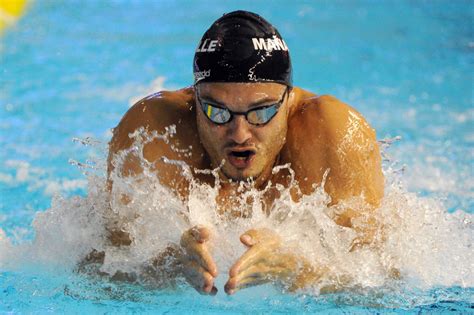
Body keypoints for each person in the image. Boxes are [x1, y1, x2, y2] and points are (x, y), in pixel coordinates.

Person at [99, 10, 384, 295]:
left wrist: (300, 267)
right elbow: (98, 271)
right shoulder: (153, 134)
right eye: (216, 111)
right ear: (195, 100)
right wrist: (168, 263)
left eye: (261, 112)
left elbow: (385, 278)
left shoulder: (334, 136)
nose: (239, 134)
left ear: (287, 100)